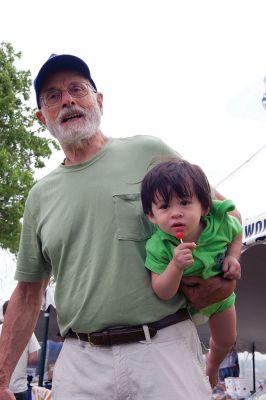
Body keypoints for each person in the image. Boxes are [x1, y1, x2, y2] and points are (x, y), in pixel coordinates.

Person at [0, 53, 240, 400]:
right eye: (53, 96)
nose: (67, 100)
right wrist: (3, 376)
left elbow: (225, 216)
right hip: (81, 362)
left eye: (76, 89)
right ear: (42, 118)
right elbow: (26, 294)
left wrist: (224, 276)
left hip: (163, 348)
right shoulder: (39, 197)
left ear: (98, 101)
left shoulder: (149, 151)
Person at [140, 159, 242, 388]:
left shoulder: (219, 224)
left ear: (204, 206)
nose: (176, 214)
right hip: (181, 308)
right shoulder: (158, 245)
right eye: (164, 207)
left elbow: (237, 232)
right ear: (151, 216)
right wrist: (175, 266)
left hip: (221, 300)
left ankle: (212, 366)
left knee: (227, 339)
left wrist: (233, 257)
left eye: (185, 203)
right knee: (181, 351)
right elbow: (162, 291)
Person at [0, 301, 40, 400]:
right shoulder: (27, 331)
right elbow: (34, 358)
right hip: (19, 387)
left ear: (4, 314)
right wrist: (19, 365)